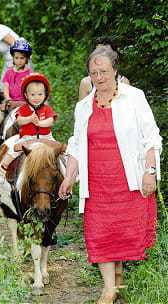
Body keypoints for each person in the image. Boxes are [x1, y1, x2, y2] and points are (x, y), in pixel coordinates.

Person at [59, 47, 162, 304]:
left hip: (128, 178)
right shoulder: (83, 107)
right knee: (100, 232)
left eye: (103, 71)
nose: (99, 78)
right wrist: (70, 177)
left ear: (115, 69)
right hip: (97, 183)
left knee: (125, 232)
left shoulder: (134, 98)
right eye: (93, 73)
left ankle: (119, 275)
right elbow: (76, 145)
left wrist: (150, 172)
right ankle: (109, 289)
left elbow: (152, 138)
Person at [0, 72, 57, 184]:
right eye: (33, 95)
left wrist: (40, 123)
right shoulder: (23, 108)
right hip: (28, 138)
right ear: (26, 95)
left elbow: (50, 121)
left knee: (60, 151)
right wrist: (29, 119)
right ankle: (2, 169)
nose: (36, 98)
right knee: (13, 151)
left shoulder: (47, 109)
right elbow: (19, 120)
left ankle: (67, 171)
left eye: (40, 94)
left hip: (46, 137)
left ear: (45, 95)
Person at [0, 39, 34, 157]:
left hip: (24, 104)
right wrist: (8, 98)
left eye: (22, 58)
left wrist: (23, 103)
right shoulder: (9, 72)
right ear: (13, 58)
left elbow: (31, 90)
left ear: (27, 59)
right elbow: (6, 87)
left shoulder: (30, 74)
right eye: (16, 58)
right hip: (10, 102)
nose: (19, 61)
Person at [79, 36, 130, 101]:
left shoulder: (123, 82)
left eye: (107, 52)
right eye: (98, 52)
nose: (102, 55)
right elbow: (82, 109)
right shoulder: (86, 83)